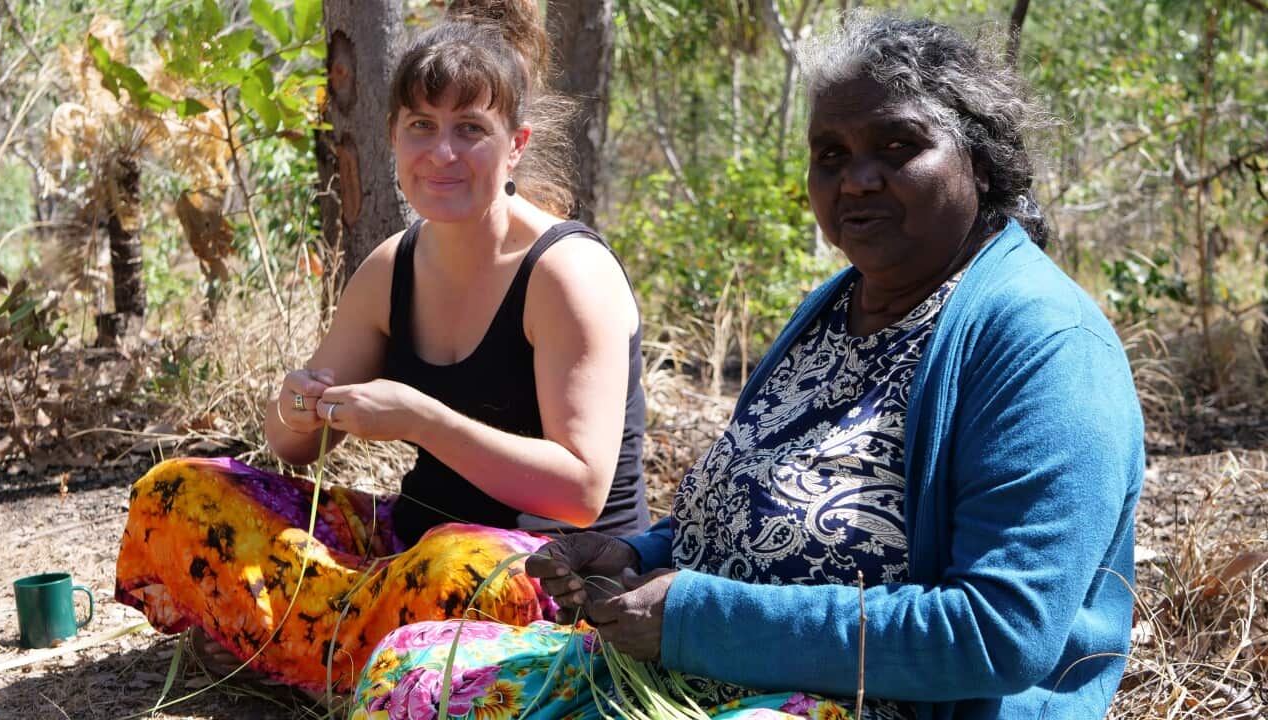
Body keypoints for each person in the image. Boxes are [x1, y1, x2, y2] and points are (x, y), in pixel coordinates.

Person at [347, 12, 1144, 720]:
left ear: (979, 157)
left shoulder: (1042, 344)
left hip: (877, 702)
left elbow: (999, 635)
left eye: (899, 145)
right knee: (408, 676)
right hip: (711, 668)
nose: (857, 177)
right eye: (831, 154)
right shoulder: (839, 307)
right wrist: (637, 557)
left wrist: (692, 619)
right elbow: (747, 522)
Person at [114, 0, 649, 694]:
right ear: (392, 138)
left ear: (515, 144)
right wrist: (303, 403)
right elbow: (289, 443)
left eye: (470, 130)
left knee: (455, 575)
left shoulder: (566, 274)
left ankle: (290, 647)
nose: (442, 153)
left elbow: (580, 492)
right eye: (421, 127)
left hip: (548, 573)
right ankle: (348, 655)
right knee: (175, 492)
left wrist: (421, 419)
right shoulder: (392, 267)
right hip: (410, 547)